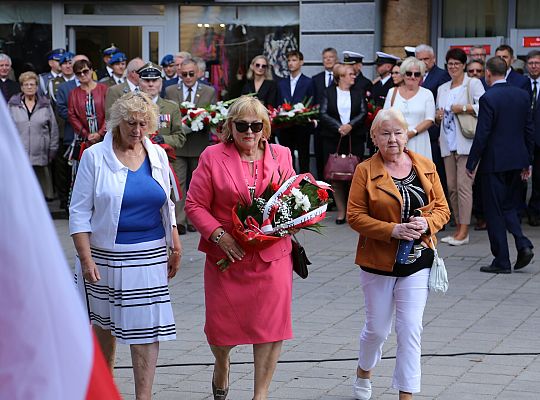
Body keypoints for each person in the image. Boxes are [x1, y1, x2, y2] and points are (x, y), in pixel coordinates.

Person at [69, 91, 182, 399]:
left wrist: (174, 241)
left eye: (143, 123)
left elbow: (167, 201)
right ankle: (105, 391)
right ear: (117, 122)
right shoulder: (94, 157)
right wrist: (86, 258)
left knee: (146, 330)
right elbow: (78, 211)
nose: (137, 130)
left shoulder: (156, 153)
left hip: (150, 255)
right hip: (105, 256)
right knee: (105, 328)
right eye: (130, 123)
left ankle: (143, 396)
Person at [184, 95, 295, 400]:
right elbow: (194, 204)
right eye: (242, 125)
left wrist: (292, 220)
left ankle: (260, 395)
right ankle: (222, 363)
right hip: (228, 256)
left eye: (255, 125)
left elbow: (292, 200)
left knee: (270, 330)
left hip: (271, 257)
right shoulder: (212, 156)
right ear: (229, 127)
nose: (249, 131)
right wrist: (220, 236)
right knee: (220, 333)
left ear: (265, 128)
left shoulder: (282, 155)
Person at [347, 108, 450, 400]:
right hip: (378, 262)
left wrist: (427, 223)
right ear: (374, 138)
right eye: (385, 133)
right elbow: (354, 216)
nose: (393, 139)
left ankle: (407, 394)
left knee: (410, 329)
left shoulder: (425, 166)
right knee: (377, 330)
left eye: (398, 132)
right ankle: (364, 370)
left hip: (418, 260)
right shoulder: (365, 171)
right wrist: (392, 230)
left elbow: (443, 209)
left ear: (407, 135)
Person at [466, 56, 535, 273]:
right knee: (509, 206)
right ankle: (522, 243)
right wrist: (528, 161)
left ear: (487, 73)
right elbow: (529, 130)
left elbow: (483, 133)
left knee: (494, 210)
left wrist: (471, 162)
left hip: (493, 163)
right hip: (517, 161)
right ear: (506, 71)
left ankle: (502, 260)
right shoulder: (522, 95)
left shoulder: (489, 98)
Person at [435, 48, 485, 246]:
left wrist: (462, 108)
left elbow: (485, 106)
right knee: (452, 188)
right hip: (448, 143)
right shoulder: (443, 88)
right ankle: (458, 228)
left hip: (466, 143)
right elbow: (441, 114)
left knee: (464, 187)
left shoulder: (472, 83)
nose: (453, 67)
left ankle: (464, 231)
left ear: (464, 65)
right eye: (450, 64)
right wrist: (438, 117)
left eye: (457, 64)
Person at [165, 58, 216, 235]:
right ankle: (179, 220)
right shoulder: (170, 90)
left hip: (198, 143)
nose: (187, 77)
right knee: (178, 183)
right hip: (178, 145)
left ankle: (195, 219)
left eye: (191, 74)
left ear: (198, 73)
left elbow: (213, 115)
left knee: (198, 184)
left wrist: (202, 119)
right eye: (184, 74)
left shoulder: (209, 91)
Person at [320, 63, 367, 224]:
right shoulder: (328, 92)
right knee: (337, 176)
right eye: (350, 74)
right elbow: (323, 113)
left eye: (354, 74)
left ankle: (352, 210)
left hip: (354, 138)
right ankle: (341, 211)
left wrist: (350, 125)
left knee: (354, 175)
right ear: (340, 77)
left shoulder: (358, 92)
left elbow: (363, 111)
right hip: (334, 138)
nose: (354, 76)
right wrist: (339, 127)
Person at [8, 71, 59, 200]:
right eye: (26, 84)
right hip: (19, 154)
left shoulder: (45, 105)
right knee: (20, 190)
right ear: (21, 87)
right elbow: (7, 130)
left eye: (32, 84)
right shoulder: (13, 105)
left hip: (40, 154)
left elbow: (53, 128)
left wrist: (52, 149)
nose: (29, 87)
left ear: (37, 87)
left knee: (40, 192)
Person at [415, 44, 451, 196]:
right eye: (420, 59)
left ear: (434, 59)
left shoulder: (441, 75)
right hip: (416, 132)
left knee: (436, 174)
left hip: (433, 133)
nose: (423, 62)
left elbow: (442, 105)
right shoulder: (413, 75)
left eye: (426, 59)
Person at [383, 57, 435, 160]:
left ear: (421, 76)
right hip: (395, 140)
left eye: (417, 74)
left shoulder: (427, 94)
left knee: (419, 172)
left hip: (419, 140)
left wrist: (412, 133)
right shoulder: (392, 92)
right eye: (408, 73)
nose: (412, 77)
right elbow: (385, 116)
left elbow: (430, 119)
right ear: (403, 74)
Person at [277, 50, 315, 173]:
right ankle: (288, 184)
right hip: (285, 126)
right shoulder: (281, 83)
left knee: (304, 157)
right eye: (288, 61)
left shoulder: (309, 82)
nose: (290, 63)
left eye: (294, 60)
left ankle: (305, 186)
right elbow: (278, 103)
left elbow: (312, 103)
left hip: (302, 126)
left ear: (301, 62)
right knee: (287, 157)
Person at [312, 47, 339, 179]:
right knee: (320, 159)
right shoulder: (315, 79)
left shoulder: (341, 79)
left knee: (335, 161)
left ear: (336, 59)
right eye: (325, 58)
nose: (327, 60)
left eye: (331, 57)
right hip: (320, 127)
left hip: (336, 127)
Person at [68, 59, 108, 146]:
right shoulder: (73, 93)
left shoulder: (104, 89)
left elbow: (111, 112)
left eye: (85, 71)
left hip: (105, 136)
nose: (82, 75)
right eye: (78, 73)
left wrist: (100, 133)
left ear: (91, 70)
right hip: (84, 138)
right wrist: (86, 134)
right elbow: (72, 115)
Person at [526, 50, 540, 226]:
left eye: (537, 63)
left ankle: (535, 211)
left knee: (538, 178)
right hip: (522, 138)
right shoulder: (521, 83)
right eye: (531, 63)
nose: (535, 66)